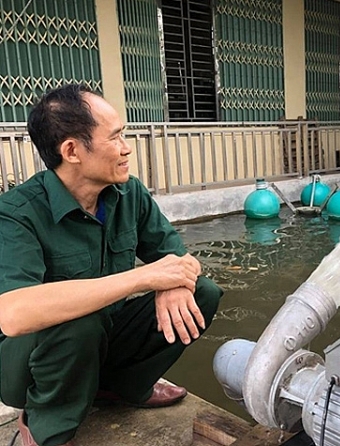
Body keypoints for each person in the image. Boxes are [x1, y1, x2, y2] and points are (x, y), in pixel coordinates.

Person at [0, 84, 223, 446]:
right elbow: (13, 314)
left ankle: (121, 387)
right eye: (115, 136)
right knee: (79, 322)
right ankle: (45, 429)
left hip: (101, 338)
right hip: (24, 365)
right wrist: (144, 278)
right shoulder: (16, 213)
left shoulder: (128, 193)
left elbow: (179, 259)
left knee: (202, 292)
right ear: (72, 151)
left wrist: (174, 282)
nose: (126, 147)